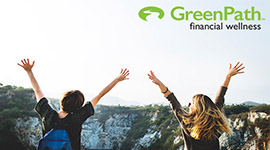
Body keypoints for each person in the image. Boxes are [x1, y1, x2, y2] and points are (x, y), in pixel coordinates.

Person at [18, 58, 129, 150]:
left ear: (62, 101)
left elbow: (37, 90)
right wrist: (116, 80)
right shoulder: (77, 117)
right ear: (78, 106)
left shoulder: (48, 115)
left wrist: (29, 71)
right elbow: (100, 95)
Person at [147, 62, 245, 150]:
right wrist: (228, 77)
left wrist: (159, 83)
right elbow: (220, 97)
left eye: (191, 103)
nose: (189, 105)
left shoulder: (186, 122)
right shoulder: (214, 122)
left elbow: (172, 99)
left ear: (198, 109)